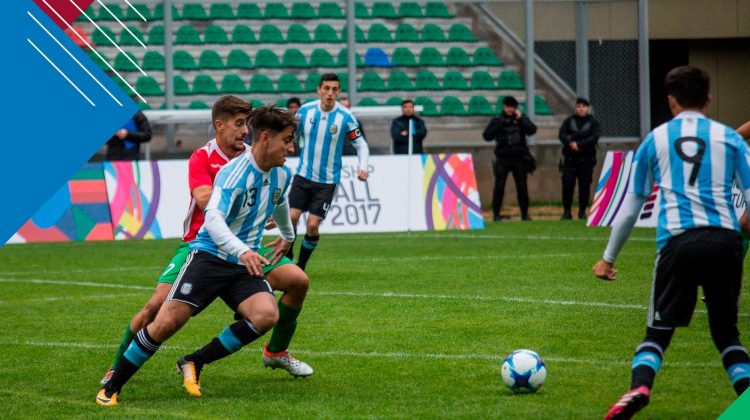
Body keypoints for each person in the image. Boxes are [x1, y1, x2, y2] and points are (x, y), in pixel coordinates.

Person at [97, 105, 300, 406]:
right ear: (267, 138)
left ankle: (195, 361)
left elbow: (280, 201)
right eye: (287, 140)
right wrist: (243, 249)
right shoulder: (234, 173)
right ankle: (112, 385)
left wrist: (287, 234)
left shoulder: (282, 173)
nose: (292, 147)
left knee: (266, 314)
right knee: (166, 321)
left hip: (241, 262)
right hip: (209, 255)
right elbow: (213, 221)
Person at [592, 66, 750, 419]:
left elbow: (633, 204)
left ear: (670, 101)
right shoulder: (731, 139)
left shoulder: (656, 139)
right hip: (726, 243)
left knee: (657, 333)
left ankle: (639, 387)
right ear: (708, 99)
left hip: (678, 243)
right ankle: (747, 399)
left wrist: (608, 258)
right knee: (727, 336)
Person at [286, 73, 370, 270]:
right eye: (326, 89)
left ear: (338, 92)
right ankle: (287, 257)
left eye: (334, 89)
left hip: (327, 181)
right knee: (291, 218)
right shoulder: (305, 112)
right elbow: (290, 136)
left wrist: (363, 166)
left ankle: (301, 266)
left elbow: (361, 145)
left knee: (313, 225)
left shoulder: (346, 117)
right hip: (303, 175)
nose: (330, 93)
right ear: (319, 90)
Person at [482, 96, 537, 221]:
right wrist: (498, 124)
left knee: (522, 187)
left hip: (519, 158)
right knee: (499, 187)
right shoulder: (497, 120)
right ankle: (496, 214)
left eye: (512, 107)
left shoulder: (521, 120)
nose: (510, 109)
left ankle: (525, 213)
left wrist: (521, 118)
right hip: (503, 158)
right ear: (504, 107)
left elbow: (532, 130)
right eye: (508, 107)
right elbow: (487, 136)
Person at [558, 97, 601, 220]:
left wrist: (580, 145)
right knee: (567, 185)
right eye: (578, 106)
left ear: (587, 108)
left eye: (583, 106)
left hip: (586, 159)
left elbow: (594, 137)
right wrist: (571, 143)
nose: (581, 109)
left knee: (585, 186)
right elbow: (561, 134)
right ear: (575, 108)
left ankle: (582, 212)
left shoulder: (593, 122)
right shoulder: (568, 121)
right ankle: (567, 212)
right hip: (570, 159)